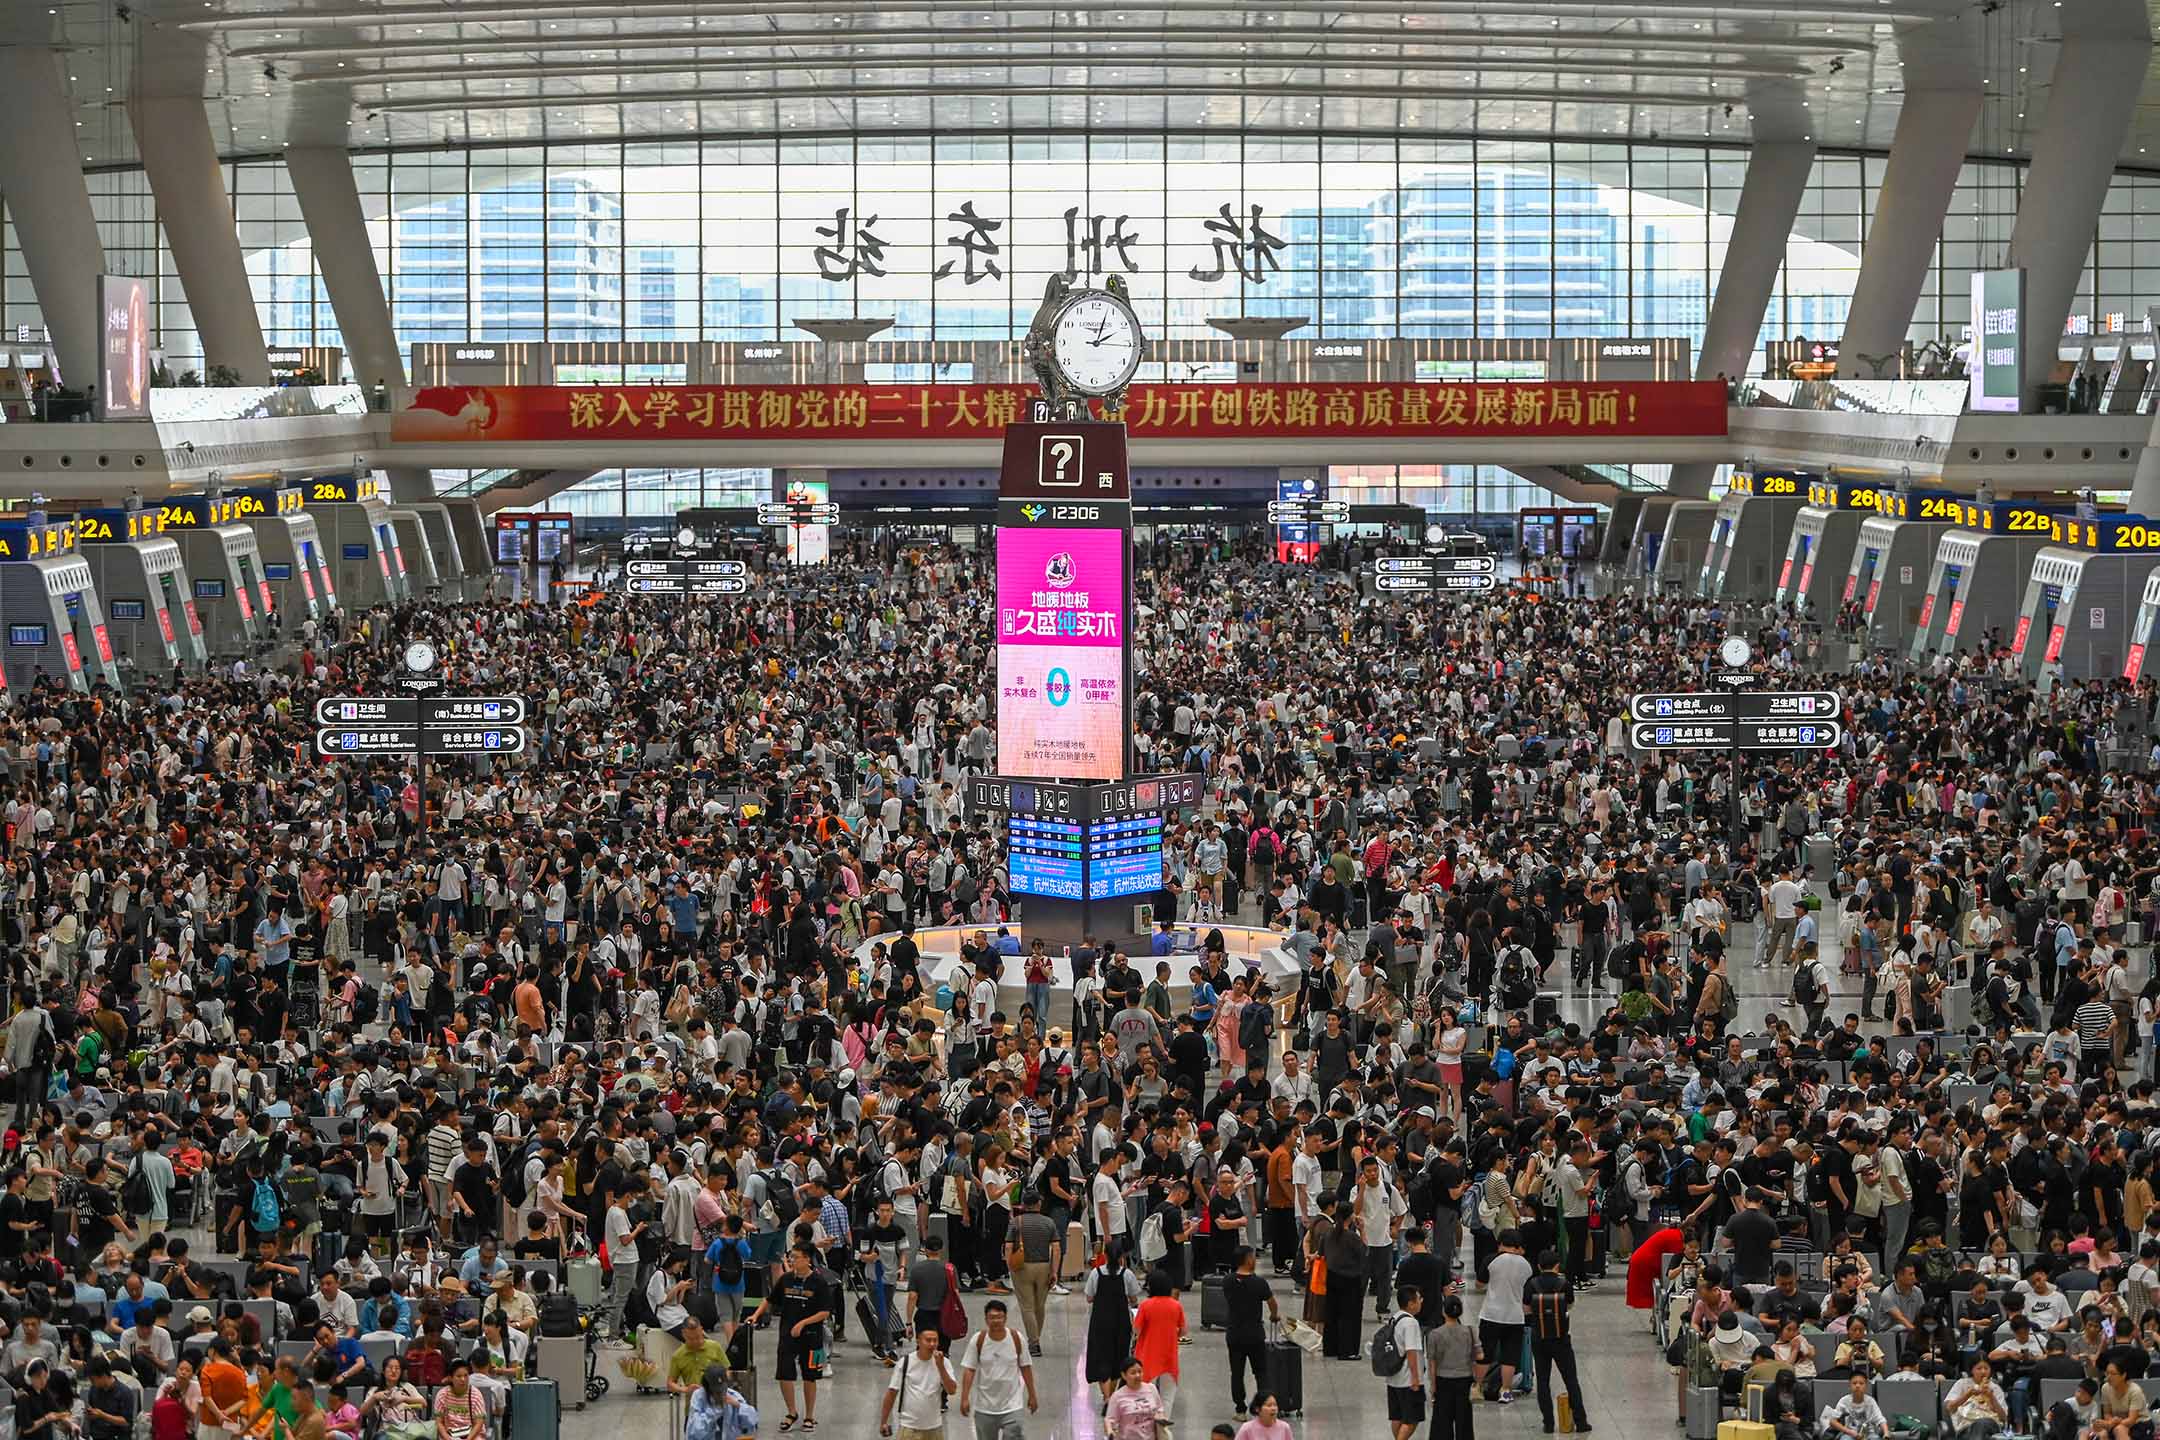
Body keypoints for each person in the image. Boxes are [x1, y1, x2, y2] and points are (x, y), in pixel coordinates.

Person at [746, 1246, 834, 1434]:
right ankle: (791, 1412)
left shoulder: (819, 1282)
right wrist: (756, 1315)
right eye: (791, 1257)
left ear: (807, 1259)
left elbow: (825, 1312)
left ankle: (809, 1416)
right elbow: (769, 1299)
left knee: (811, 1376)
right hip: (787, 1335)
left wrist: (803, 1323)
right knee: (784, 1374)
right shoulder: (786, 1280)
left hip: (813, 1338)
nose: (792, 1260)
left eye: (796, 1257)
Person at [1523, 1250, 1592, 1434]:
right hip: (1561, 1337)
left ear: (1538, 1266)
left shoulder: (1532, 1284)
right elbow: (1569, 1305)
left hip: (1539, 1337)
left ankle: (1548, 1423)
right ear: (1557, 1266)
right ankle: (1581, 1421)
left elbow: (1526, 1309)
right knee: (1570, 1379)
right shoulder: (1564, 1284)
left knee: (1543, 1381)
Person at [956, 1300, 1036, 1440]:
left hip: (1012, 1406)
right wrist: (964, 1397)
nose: (996, 1321)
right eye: (992, 1317)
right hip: (984, 1407)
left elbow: (1025, 1367)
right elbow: (969, 1369)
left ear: (1005, 1318)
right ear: (986, 1319)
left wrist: (1032, 1394)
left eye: (999, 1317)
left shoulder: (1016, 1338)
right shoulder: (978, 1340)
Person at [1478, 1228, 1530, 1404]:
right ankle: (1506, 1391)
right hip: (1515, 1316)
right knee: (1510, 1356)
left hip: (1491, 1314)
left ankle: (1477, 1388)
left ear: (1500, 1243)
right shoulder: (1525, 1264)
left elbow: (1479, 1284)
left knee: (1485, 1354)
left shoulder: (1490, 1260)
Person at [1085, 1247, 1141, 1405]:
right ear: (1121, 1257)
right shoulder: (1127, 1274)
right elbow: (1133, 1298)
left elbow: (1089, 1298)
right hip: (1121, 1322)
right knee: (1119, 1358)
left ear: (1106, 1257)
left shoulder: (1096, 1273)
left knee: (1101, 1357)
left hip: (1100, 1322)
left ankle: (1107, 1397)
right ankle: (1111, 1395)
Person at [878, 1329, 957, 1440]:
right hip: (909, 1428)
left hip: (934, 1428)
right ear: (918, 1342)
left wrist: (941, 1367)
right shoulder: (905, 1362)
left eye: (935, 1340)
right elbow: (892, 1393)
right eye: (928, 1340)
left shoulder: (944, 1362)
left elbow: (952, 1390)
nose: (932, 1344)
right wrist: (884, 1422)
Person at [1133, 1268, 1187, 1422]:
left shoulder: (1146, 1305)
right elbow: (1183, 1331)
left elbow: (1136, 1329)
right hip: (1169, 1356)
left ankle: (1146, 1426)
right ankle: (1162, 1425)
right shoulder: (1176, 1306)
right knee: (1167, 1396)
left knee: (1144, 1395)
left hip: (1147, 1356)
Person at [1382, 1284, 1426, 1440]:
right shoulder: (1411, 1323)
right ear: (1411, 1303)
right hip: (1408, 1380)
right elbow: (1411, 1351)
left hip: (1393, 1377)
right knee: (1412, 1419)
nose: (1422, 1301)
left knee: (1397, 1417)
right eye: (1419, 1298)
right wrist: (1415, 1378)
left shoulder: (1395, 1318)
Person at [686, 1364, 761, 1440]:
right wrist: (715, 1410)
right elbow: (695, 1432)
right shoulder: (698, 1397)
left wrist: (739, 1406)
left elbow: (752, 1424)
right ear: (707, 1386)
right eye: (716, 1392)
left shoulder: (734, 1396)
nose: (720, 1394)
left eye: (722, 1390)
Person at [1103, 1357, 1166, 1440]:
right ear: (1124, 1375)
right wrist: (1110, 1431)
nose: (1137, 1375)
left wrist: (1160, 1417)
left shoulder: (1151, 1388)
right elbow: (1109, 1420)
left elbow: (1159, 1409)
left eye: (1140, 1371)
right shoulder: (1117, 1396)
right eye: (1133, 1373)